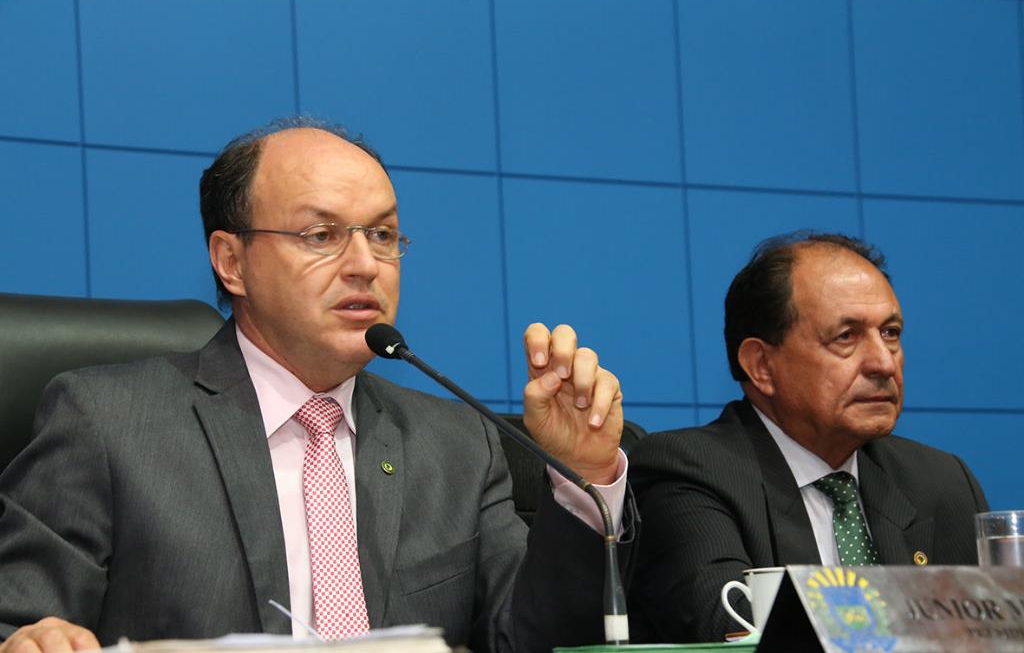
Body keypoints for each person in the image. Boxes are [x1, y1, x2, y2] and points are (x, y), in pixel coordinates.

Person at [0, 118, 634, 653]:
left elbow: (531, 640)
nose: (364, 265)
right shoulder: (107, 423)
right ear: (231, 262)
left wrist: (582, 476)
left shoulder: (456, 444)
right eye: (321, 235)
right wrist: (32, 640)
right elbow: (21, 624)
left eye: (382, 235)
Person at [627, 232, 988, 643]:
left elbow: (997, 630)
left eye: (890, 333)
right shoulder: (686, 472)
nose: (884, 363)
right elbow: (734, 630)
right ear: (761, 366)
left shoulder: (942, 481)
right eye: (846, 336)